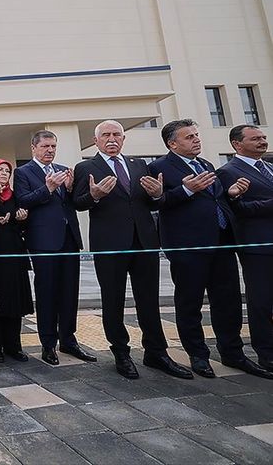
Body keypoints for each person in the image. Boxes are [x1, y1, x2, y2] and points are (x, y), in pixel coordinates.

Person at [149, 119, 271, 379]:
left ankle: (233, 353)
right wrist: (186, 189)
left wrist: (233, 193)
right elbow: (159, 203)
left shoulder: (205, 164)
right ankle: (198, 355)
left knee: (228, 302)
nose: (196, 139)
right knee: (190, 303)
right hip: (188, 247)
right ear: (172, 143)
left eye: (196, 134)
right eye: (189, 136)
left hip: (221, 242)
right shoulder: (158, 167)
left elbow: (215, 199)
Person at [73, 120, 191, 380]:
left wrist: (159, 194)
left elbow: (150, 202)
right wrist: (94, 196)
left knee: (149, 300)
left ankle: (156, 352)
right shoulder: (86, 167)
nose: (112, 138)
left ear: (124, 139)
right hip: (110, 245)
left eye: (117, 134)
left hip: (144, 242)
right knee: (113, 301)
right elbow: (78, 203)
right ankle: (121, 353)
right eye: (106, 135)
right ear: (96, 141)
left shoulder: (140, 165)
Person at [14, 131, 95, 365]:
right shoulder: (23, 172)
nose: (50, 150)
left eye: (53, 146)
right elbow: (23, 201)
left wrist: (69, 189)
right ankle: (48, 344)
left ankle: (69, 341)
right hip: (43, 242)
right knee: (47, 293)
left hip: (69, 239)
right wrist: (47, 188)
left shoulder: (62, 169)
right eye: (46, 146)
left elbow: (74, 204)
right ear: (34, 148)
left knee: (69, 293)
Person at [215, 124, 273, 373]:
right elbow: (238, 210)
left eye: (263, 137)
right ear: (237, 144)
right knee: (261, 301)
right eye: (255, 139)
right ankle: (267, 353)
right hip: (257, 246)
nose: (262, 141)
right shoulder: (228, 172)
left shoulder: (269, 167)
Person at [0, 159, 34, 363]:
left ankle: (14, 346)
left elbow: (24, 225)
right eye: (0, 170)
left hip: (14, 253)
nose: (4, 173)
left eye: (7, 170)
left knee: (15, 300)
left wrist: (22, 219)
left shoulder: (15, 195)